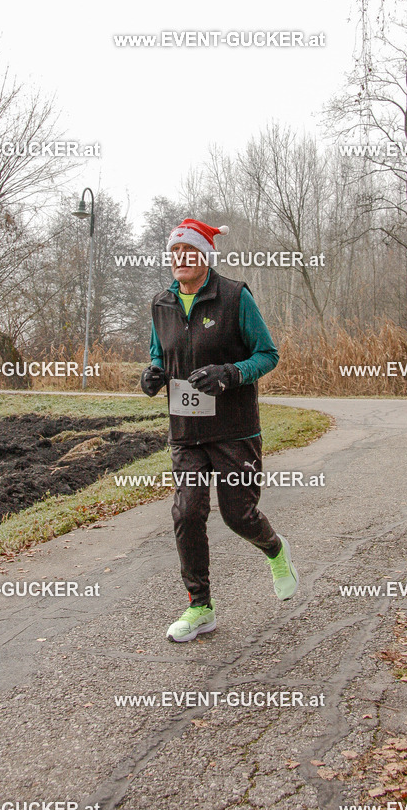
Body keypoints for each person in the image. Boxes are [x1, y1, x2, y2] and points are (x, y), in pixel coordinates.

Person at [140, 217, 299, 643]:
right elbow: (159, 356)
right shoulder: (162, 304)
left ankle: (275, 549)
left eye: (189, 251)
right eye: (174, 252)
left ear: (205, 256)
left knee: (238, 515)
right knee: (187, 512)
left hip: (233, 429)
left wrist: (229, 373)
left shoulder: (233, 297)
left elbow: (268, 354)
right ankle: (200, 606)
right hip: (186, 431)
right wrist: (151, 376)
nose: (180, 259)